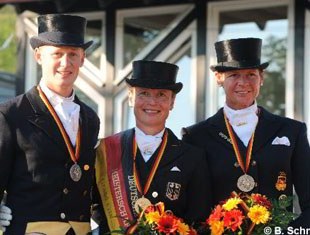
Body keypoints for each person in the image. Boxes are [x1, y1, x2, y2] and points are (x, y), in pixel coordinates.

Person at [182, 37, 310, 228]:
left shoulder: (292, 130)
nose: (243, 82)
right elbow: (194, 210)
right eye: (233, 75)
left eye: (251, 74)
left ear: (262, 78)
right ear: (219, 78)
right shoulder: (196, 136)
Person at [0, 14, 100, 234]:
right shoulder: (11, 114)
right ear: (38, 56)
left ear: (83, 59)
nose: (66, 63)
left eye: (73, 54)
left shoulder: (90, 118)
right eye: (57, 54)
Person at [94, 60, 212, 233]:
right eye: (144, 93)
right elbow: (97, 207)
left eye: (161, 95)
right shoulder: (107, 150)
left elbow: (199, 217)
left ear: (172, 102)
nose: (152, 102)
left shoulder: (192, 157)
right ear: (131, 97)